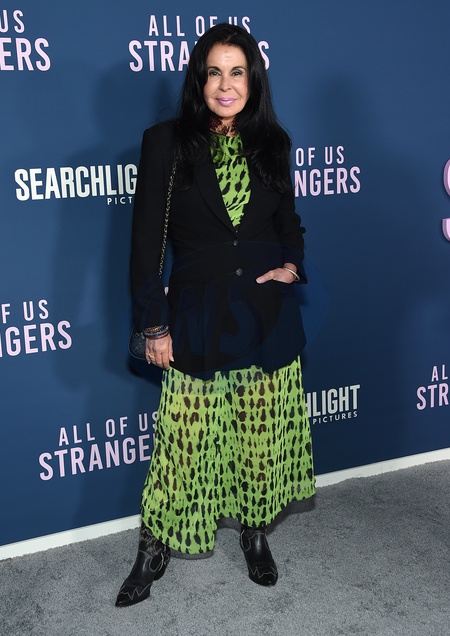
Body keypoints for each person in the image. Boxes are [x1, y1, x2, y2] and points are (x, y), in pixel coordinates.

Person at [116, 23, 315, 608]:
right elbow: (146, 244)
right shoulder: (166, 142)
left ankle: (254, 534)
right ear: (198, 80)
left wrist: (292, 265)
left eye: (237, 72)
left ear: (253, 79)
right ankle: (153, 548)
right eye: (214, 72)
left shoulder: (273, 142)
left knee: (259, 439)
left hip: (263, 318)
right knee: (182, 444)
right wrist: (154, 325)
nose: (226, 85)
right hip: (197, 318)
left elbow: (288, 222)